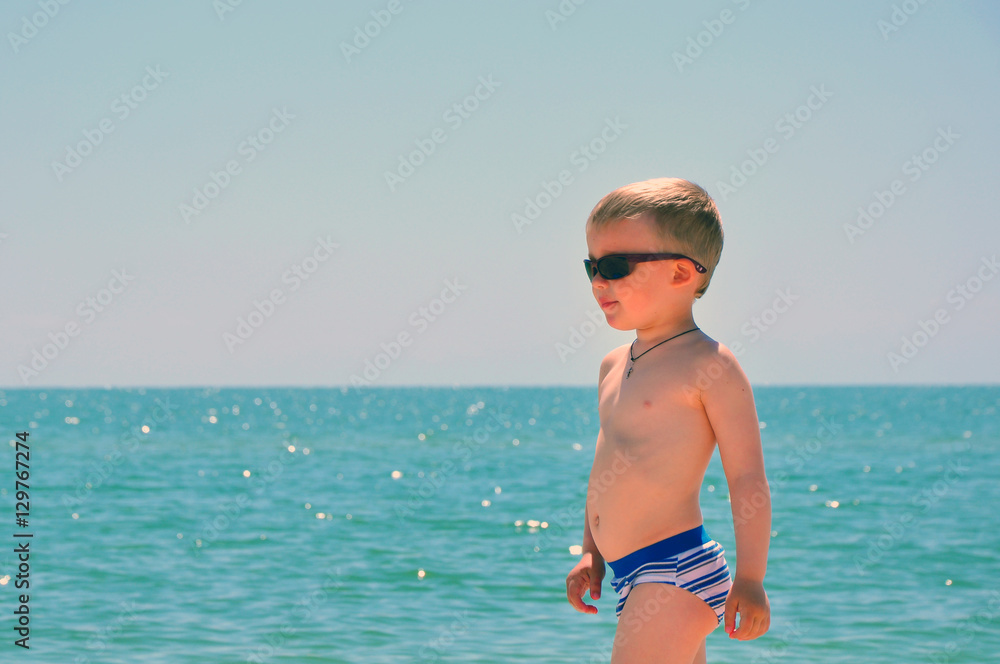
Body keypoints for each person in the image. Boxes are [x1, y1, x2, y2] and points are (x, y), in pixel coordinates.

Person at [565, 178, 771, 663]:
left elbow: (746, 479)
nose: (599, 282)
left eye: (615, 267)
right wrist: (591, 550)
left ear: (681, 273)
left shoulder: (710, 365)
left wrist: (751, 578)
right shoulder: (613, 365)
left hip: (675, 569)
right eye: (591, 267)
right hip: (628, 572)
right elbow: (607, 466)